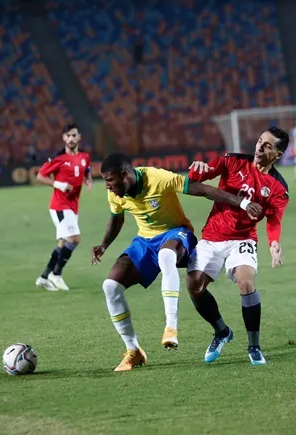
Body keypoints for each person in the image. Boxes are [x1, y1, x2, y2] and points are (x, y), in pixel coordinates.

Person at [91, 152, 262, 372]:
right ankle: (133, 351)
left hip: (177, 233)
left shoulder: (157, 178)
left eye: (109, 180)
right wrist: (104, 245)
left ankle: (171, 326)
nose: (107, 186)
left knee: (166, 255)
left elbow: (202, 189)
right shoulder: (116, 193)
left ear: (124, 175)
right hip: (145, 240)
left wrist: (243, 202)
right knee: (110, 286)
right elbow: (117, 219)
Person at [186, 126, 290, 365]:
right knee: (194, 286)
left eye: (267, 146)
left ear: (278, 155)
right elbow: (196, 180)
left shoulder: (278, 188)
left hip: (243, 239)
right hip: (212, 235)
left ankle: (254, 347)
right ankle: (222, 331)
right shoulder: (232, 161)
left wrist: (274, 242)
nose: (259, 147)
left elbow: (274, 219)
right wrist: (197, 168)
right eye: (260, 141)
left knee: (246, 282)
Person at [35, 123, 92, 291]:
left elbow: (86, 170)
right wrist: (59, 184)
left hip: (73, 206)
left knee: (63, 243)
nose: (71, 138)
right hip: (60, 205)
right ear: (63, 138)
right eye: (68, 136)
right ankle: (56, 274)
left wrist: (88, 180)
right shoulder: (58, 158)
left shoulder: (84, 156)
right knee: (74, 238)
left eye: (74, 135)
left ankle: (43, 277)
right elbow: (40, 176)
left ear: (79, 137)